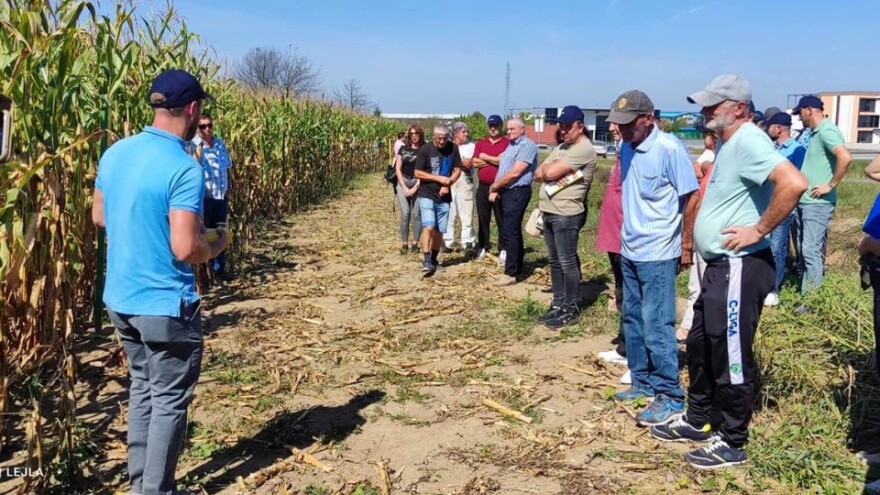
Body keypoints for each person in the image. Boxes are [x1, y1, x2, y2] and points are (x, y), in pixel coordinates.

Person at [651, 74, 807, 470]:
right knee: (702, 344)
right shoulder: (728, 144)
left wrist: (759, 229)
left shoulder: (750, 140)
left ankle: (733, 440)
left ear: (738, 108)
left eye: (712, 105)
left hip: (740, 266)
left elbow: (794, 182)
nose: (704, 112)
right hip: (719, 267)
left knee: (729, 352)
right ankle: (698, 418)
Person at [92, 69, 227, 495]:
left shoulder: (115, 152)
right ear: (191, 109)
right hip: (165, 305)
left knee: (144, 391)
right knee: (169, 401)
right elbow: (186, 248)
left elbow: (99, 216)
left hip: (120, 300)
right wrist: (218, 243)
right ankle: (156, 491)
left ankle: (141, 485)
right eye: (199, 110)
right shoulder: (181, 168)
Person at [607, 90, 700, 428]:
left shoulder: (669, 149)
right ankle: (642, 380)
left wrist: (686, 243)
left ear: (648, 118)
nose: (622, 131)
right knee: (631, 318)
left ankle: (670, 395)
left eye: (628, 124)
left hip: (658, 252)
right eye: (619, 125)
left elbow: (691, 197)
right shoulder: (626, 148)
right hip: (630, 248)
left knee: (657, 323)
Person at [534, 106, 598, 328]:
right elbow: (537, 173)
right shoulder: (562, 147)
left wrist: (550, 170)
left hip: (567, 214)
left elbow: (548, 173)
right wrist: (550, 169)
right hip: (550, 211)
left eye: (568, 127)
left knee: (567, 261)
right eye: (561, 126)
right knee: (554, 261)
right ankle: (558, 302)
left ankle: (570, 306)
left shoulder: (584, 148)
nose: (564, 131)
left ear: (580, 126)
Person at [792, 95, 852, 300]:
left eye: (800, 113)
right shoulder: (816, 133)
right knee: (804, 249)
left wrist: (830, 185)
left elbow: (845, 156)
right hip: (806, 201)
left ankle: (811, 301)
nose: (800, 118)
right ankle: (806, 294)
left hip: (817, 204)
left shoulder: (826, 131)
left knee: (810, 251)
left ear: (809, 110)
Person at [595, 122, 631, 383]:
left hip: (627, 236)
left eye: (617, 124)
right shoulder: (621, 153)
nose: (611, 127)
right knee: (621, 288)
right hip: (613, 233)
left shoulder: (633, 153)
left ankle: (631, 350)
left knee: (631, 293)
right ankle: (623, 344)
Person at [677, 129, 717, 341]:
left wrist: (687, 240)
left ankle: (688, 330)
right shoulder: (716, 161)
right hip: (709, 233)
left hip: (710, 234)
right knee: (699, 286)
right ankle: (691, 329)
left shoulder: (720, 162)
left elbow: (696, 199)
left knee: (699, 286)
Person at [764, 112, 807, 306]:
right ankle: (763, 285)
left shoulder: (797, 150)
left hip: (784, 207)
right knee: (765, 247)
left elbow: (796, 180)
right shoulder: (769, 148)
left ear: (779, 128)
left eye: (770, 126)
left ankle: (774, 288)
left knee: (777, 248)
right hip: (766, 205)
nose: (767, 129)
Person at [490, 118, 538, 286]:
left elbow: (515, 174)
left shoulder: (527, 146)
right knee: (511, 230)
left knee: (510, 231)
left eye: (512, 129)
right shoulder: (511, 146)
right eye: (508, 129)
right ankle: (517, 266)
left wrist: (495, 186)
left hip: (517, 191)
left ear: (522, 129)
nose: (508, 131)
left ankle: (510, 273)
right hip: (507, 191)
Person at [414, 124, 463, 273]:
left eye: (445, 138)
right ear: (434, 137)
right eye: (439, 139)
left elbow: (458, 169)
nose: (442, 142)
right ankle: (426, 259)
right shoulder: (425, 150)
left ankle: (434, 259)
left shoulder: (453, 148)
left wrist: (449, 182)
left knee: (440, 230)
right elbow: (417, 172)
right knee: (429, 226)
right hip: (427, 193)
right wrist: (438, 178)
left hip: (444, 196)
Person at [191, 112, 233, 278]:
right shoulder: (193, 147)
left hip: (221, 199)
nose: (207, 129)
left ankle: (219, 270)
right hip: (205, 201)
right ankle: (203, 275)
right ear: (197, 128)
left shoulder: (220, 144)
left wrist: (228, 189)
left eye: (209, 125)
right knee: (204, 236)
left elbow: (227, 167)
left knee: (220, 233)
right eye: (203, 126)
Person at [472, 115, 510, 261]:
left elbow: (505, 161)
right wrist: (495, 160)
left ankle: (503, 248)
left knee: (501, 218)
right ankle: (483, 246)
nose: (493, 128)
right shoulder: (481, 143)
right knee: (483, 218)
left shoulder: (507, 143)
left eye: (496, 125)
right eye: (491, 126)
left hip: (500, 186)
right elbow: (475, 162)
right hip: (483, 186)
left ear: (501, 126)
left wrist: (485, 157)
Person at [443, 122, 476, 255]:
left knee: (466, 211)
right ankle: (447, 240)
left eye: (467, 131)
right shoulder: (448, 146)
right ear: (456, 133)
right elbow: (445, 163)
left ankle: (468, 241)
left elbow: (469, 163)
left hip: (465, 180)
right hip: (449, 181)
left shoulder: (471, 147)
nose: (466, 134)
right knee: (449, 212)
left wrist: (458, 163)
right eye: (463, 132)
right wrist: (460, 163)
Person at [394, 124, 424, 254]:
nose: (414, 136)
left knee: (417, 214)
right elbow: (398, 168)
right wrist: (404, 186)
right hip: (404, 181)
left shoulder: (425, 149)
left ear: (420, 135)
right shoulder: (403, 149)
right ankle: (404, 243)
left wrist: (416, 187)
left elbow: (426, 170)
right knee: (405, 213)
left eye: (416, 133)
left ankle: (415, 244)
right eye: (412, 134)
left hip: (419, 183)